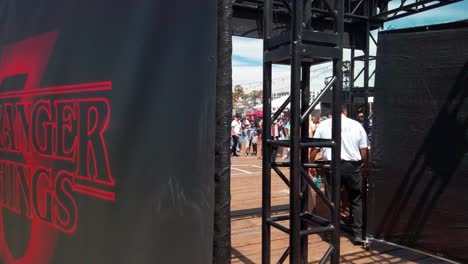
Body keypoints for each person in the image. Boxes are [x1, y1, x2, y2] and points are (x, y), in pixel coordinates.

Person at [309, 105, 369, 244]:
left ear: (331, 113)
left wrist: (310, 165)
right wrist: (365, 166)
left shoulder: (324, 125)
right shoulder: (356, 125)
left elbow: (315, 148)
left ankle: (331, 234)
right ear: (345, 112)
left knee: (332, 201)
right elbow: (364, 149)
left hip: (332, 166)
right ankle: (358, 234)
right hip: (352, 167)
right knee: (356, 199)